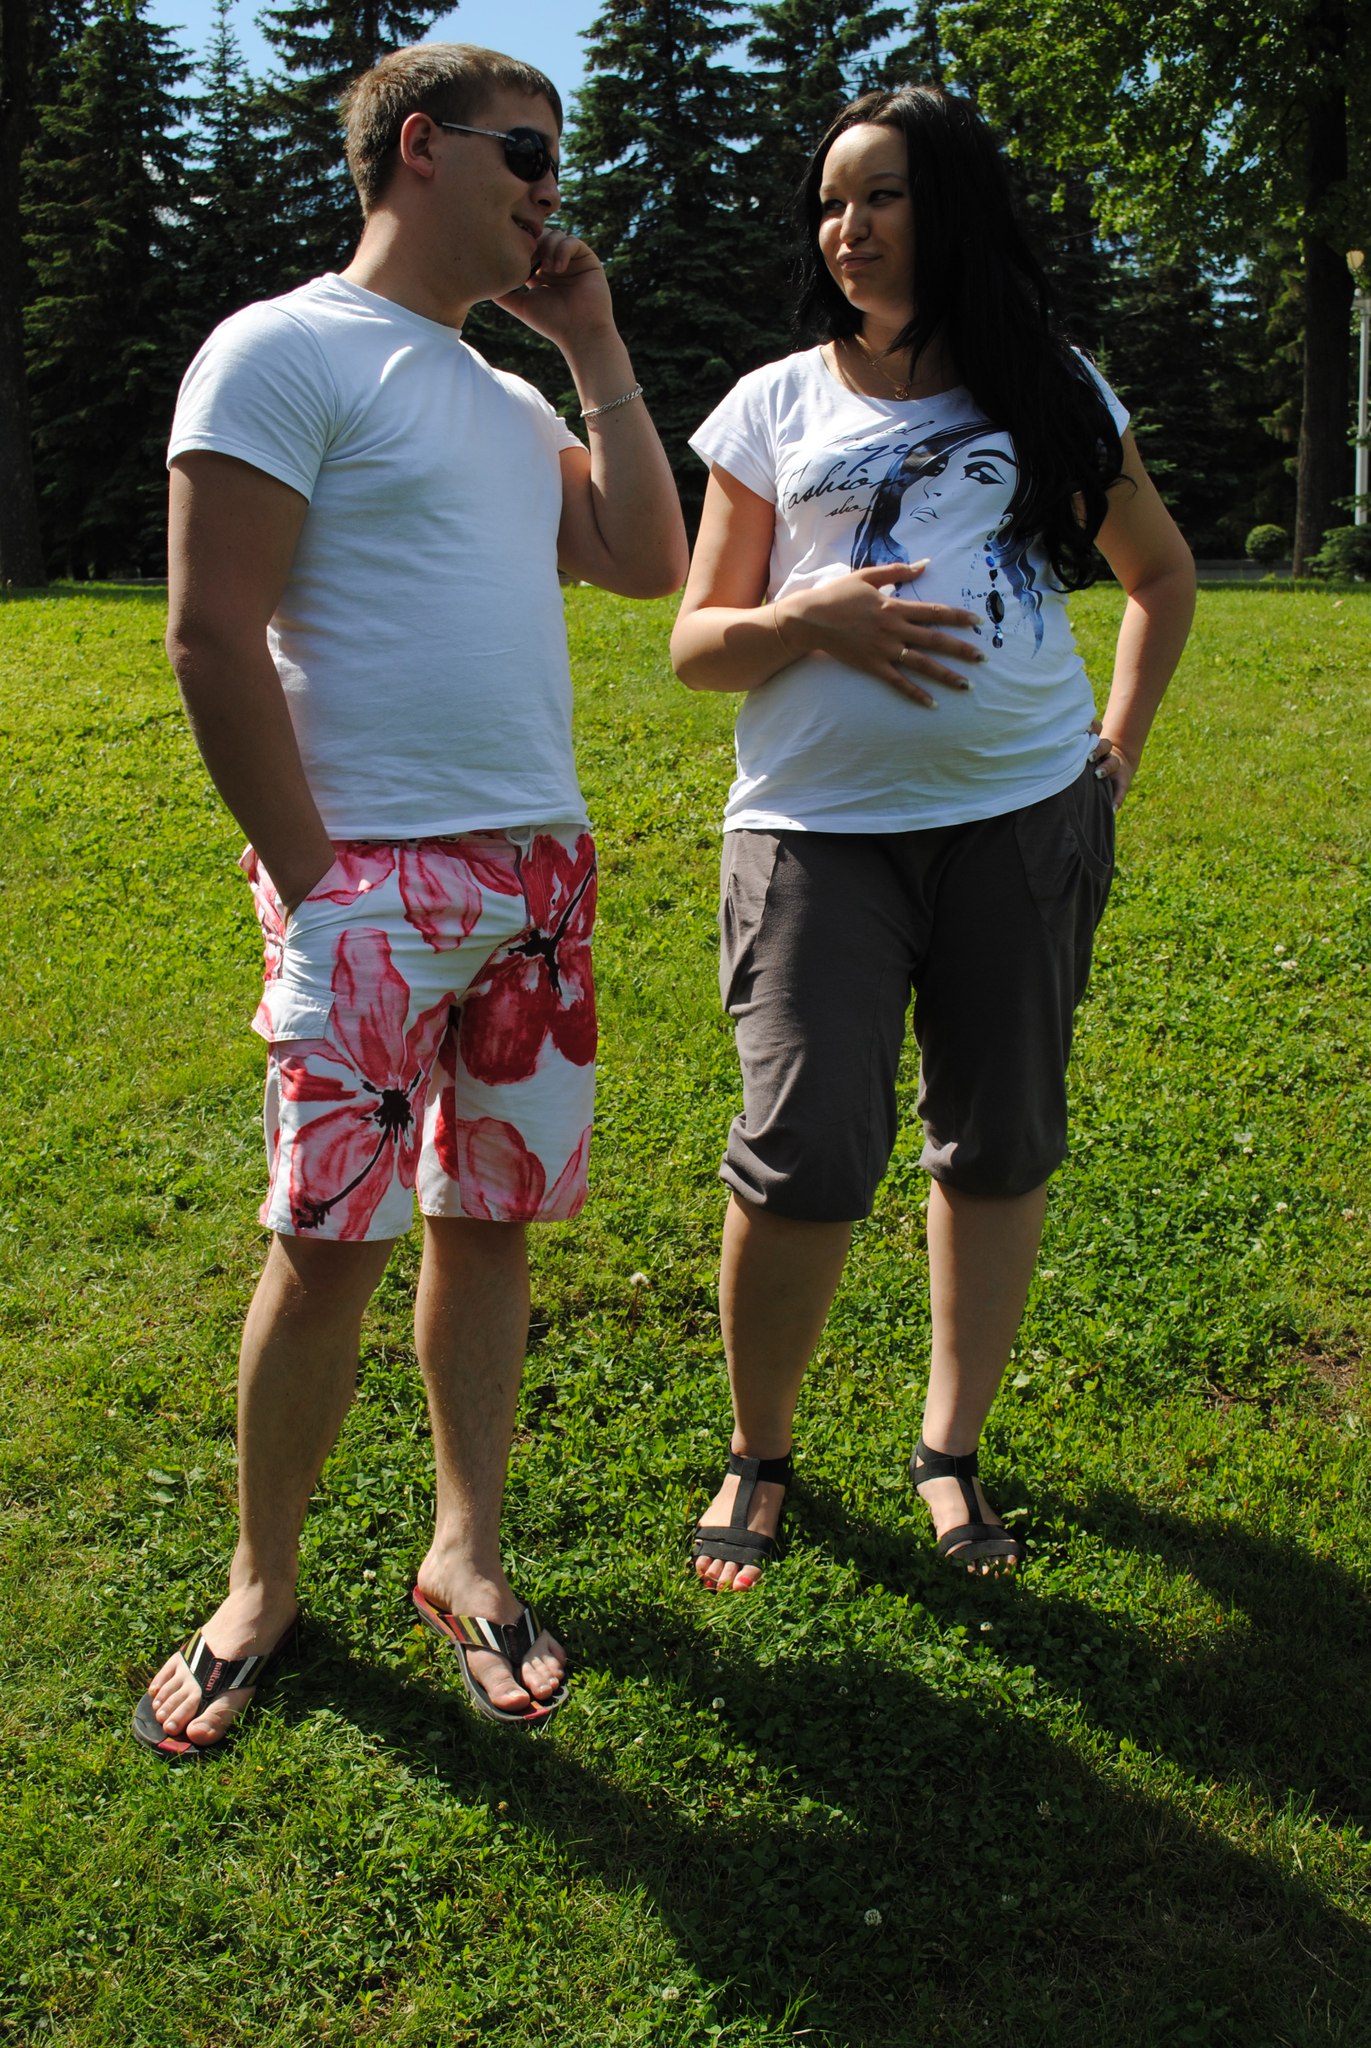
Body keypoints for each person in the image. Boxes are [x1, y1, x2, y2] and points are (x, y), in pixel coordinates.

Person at [133, 41, 687, 1754]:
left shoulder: (512, 400)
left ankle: (466, 1551)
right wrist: (316, 884)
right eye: (528, 152)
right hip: (366, 880)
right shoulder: (281, 348)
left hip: (538, 874)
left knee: (489, 1222)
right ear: (424, 147)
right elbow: (210, 631)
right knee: (325, 1247)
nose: (549, 189)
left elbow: (648, 559)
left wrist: (593, 347)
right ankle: (261, 1583)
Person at [671, 84, 1194, 1589]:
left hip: (1022, 824)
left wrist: (1112, 759)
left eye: (883, 195)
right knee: (799, 1152)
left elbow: (1159, 577)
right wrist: (807, 617)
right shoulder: (774, 406)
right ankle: (760, 1453)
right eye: (831, 202)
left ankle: (949, 1453)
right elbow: (697, 646)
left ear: (948, 209)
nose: (848, 227)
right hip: (814, 835)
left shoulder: (1048, 388)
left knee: (1000, 1140)